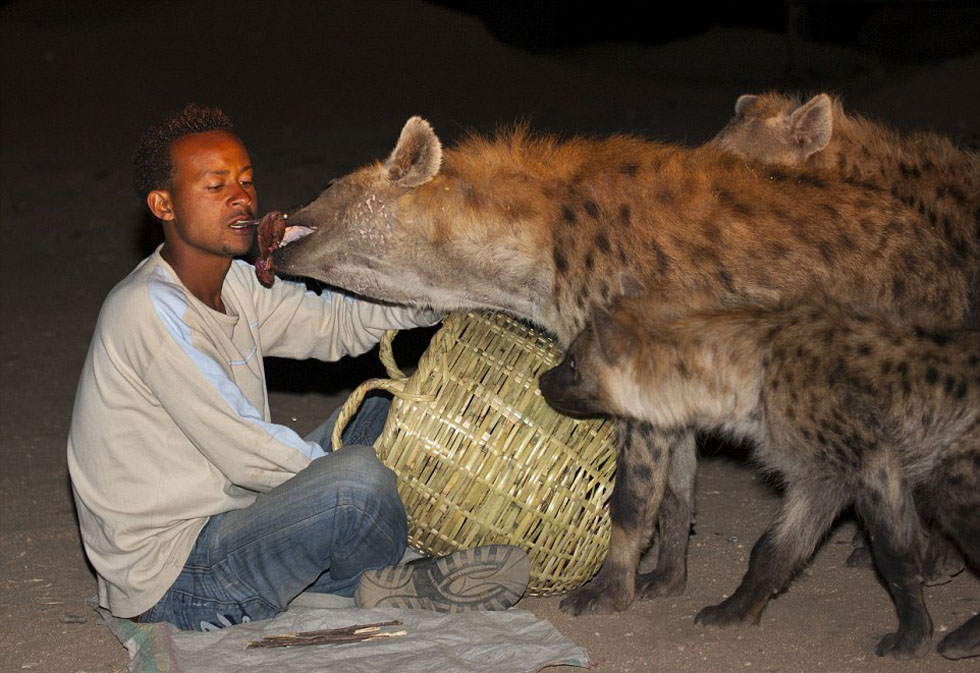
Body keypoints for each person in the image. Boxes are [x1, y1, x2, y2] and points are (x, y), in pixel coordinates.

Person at [66, 104, 529, 631]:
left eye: (245, 180)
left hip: (233, 519)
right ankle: (381, 575)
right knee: (358, 483)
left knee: (390, 403)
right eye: (215, 186)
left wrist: (434, 299)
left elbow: (335, 324)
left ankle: (354, 575)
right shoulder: (147, 310)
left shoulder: (235, 284)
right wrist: (353, 481)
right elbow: (246, 450)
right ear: (163, 204)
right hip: (177, 577)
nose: (241, 197)